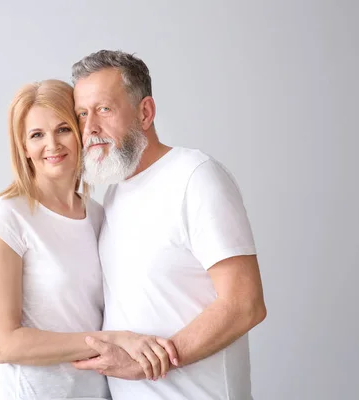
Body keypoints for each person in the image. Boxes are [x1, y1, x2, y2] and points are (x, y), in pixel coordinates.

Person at [70, 50, 267, 399]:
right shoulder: (115, 194)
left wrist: (152, 362)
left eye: (104, 109)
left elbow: (244, 303)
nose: (90, 129)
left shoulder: (196, 176)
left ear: (145, 112)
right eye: (82, 114)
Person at [0, 79, 178, 400]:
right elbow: (4, 344)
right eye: (37, 135)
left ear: (83, 133)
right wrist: (112, 339)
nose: (52, 145)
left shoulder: (99, 216)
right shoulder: (6, 218)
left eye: (63, 129)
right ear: (24, 148)